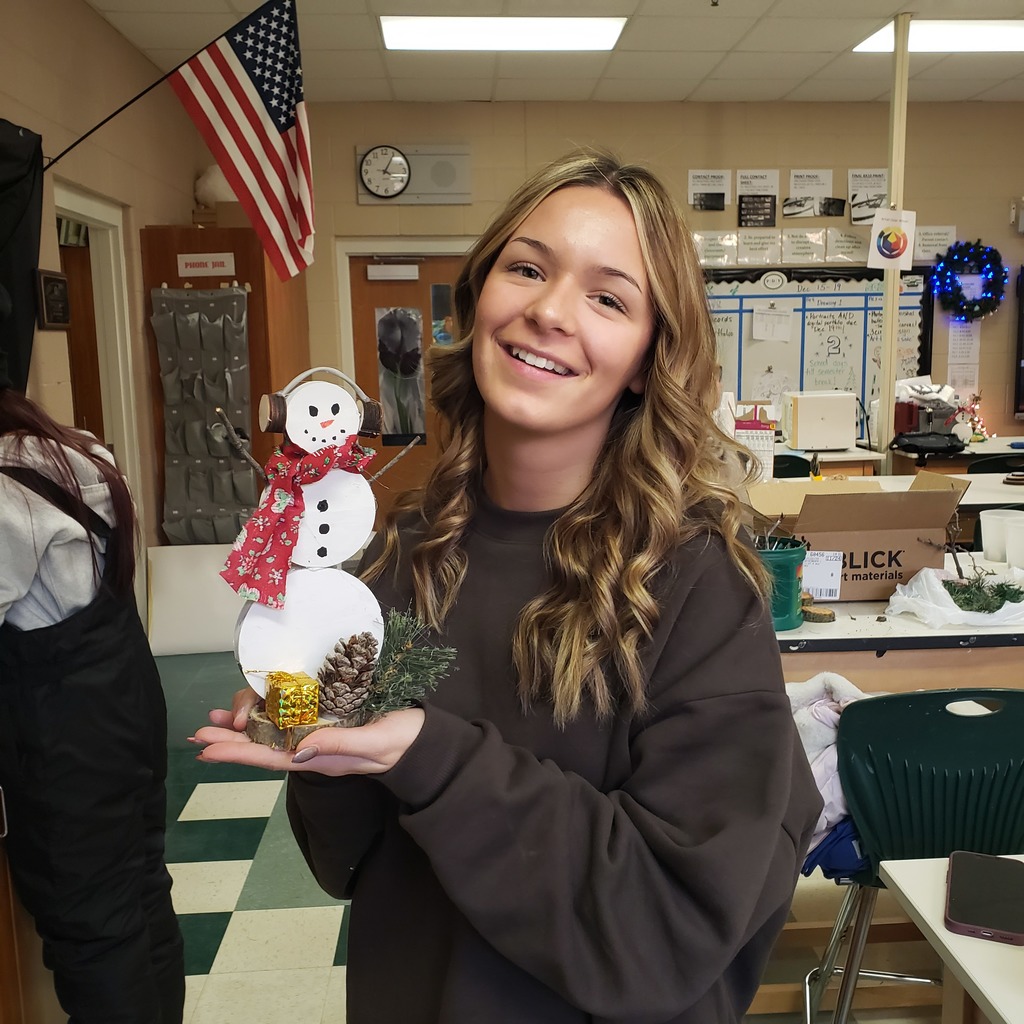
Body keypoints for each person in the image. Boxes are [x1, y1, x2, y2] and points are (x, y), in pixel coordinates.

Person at [194, 150, 822, 1023]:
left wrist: (433, 756)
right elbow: (347, 865)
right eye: (527, 268)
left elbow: (668, 926)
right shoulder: (397, 557)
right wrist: (319, 744)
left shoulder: (695, 586)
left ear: (647, 360)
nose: (549, 311)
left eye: (608, 298)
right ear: (477, 299)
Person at [0, 339, 185, 1023]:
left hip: (65, 733)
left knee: (94, 930)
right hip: (126, 700)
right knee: (141, 889)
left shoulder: (3, 488)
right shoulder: (70, 450)